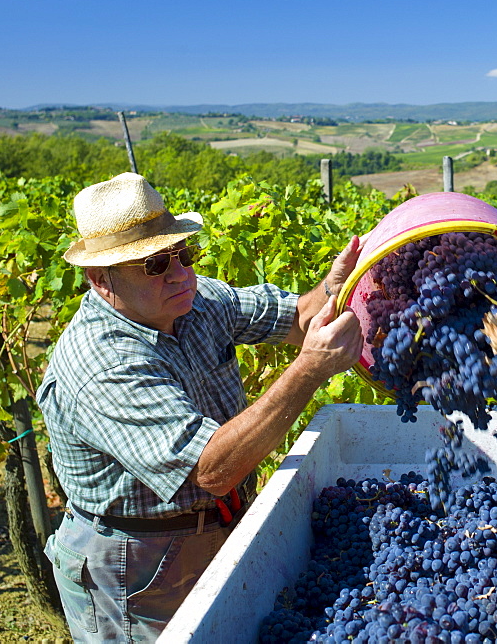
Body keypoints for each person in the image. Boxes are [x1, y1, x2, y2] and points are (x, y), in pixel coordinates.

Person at [37, 172, 364, 641]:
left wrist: (336, 287)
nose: (179, 273)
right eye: (153, 265)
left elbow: (297, 318)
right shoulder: (103, 363)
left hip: (218, 526)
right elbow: (212, 469)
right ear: (99, 279)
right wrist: (309, 370)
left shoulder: (197, 299)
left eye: (183, 254)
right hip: (139, 565)